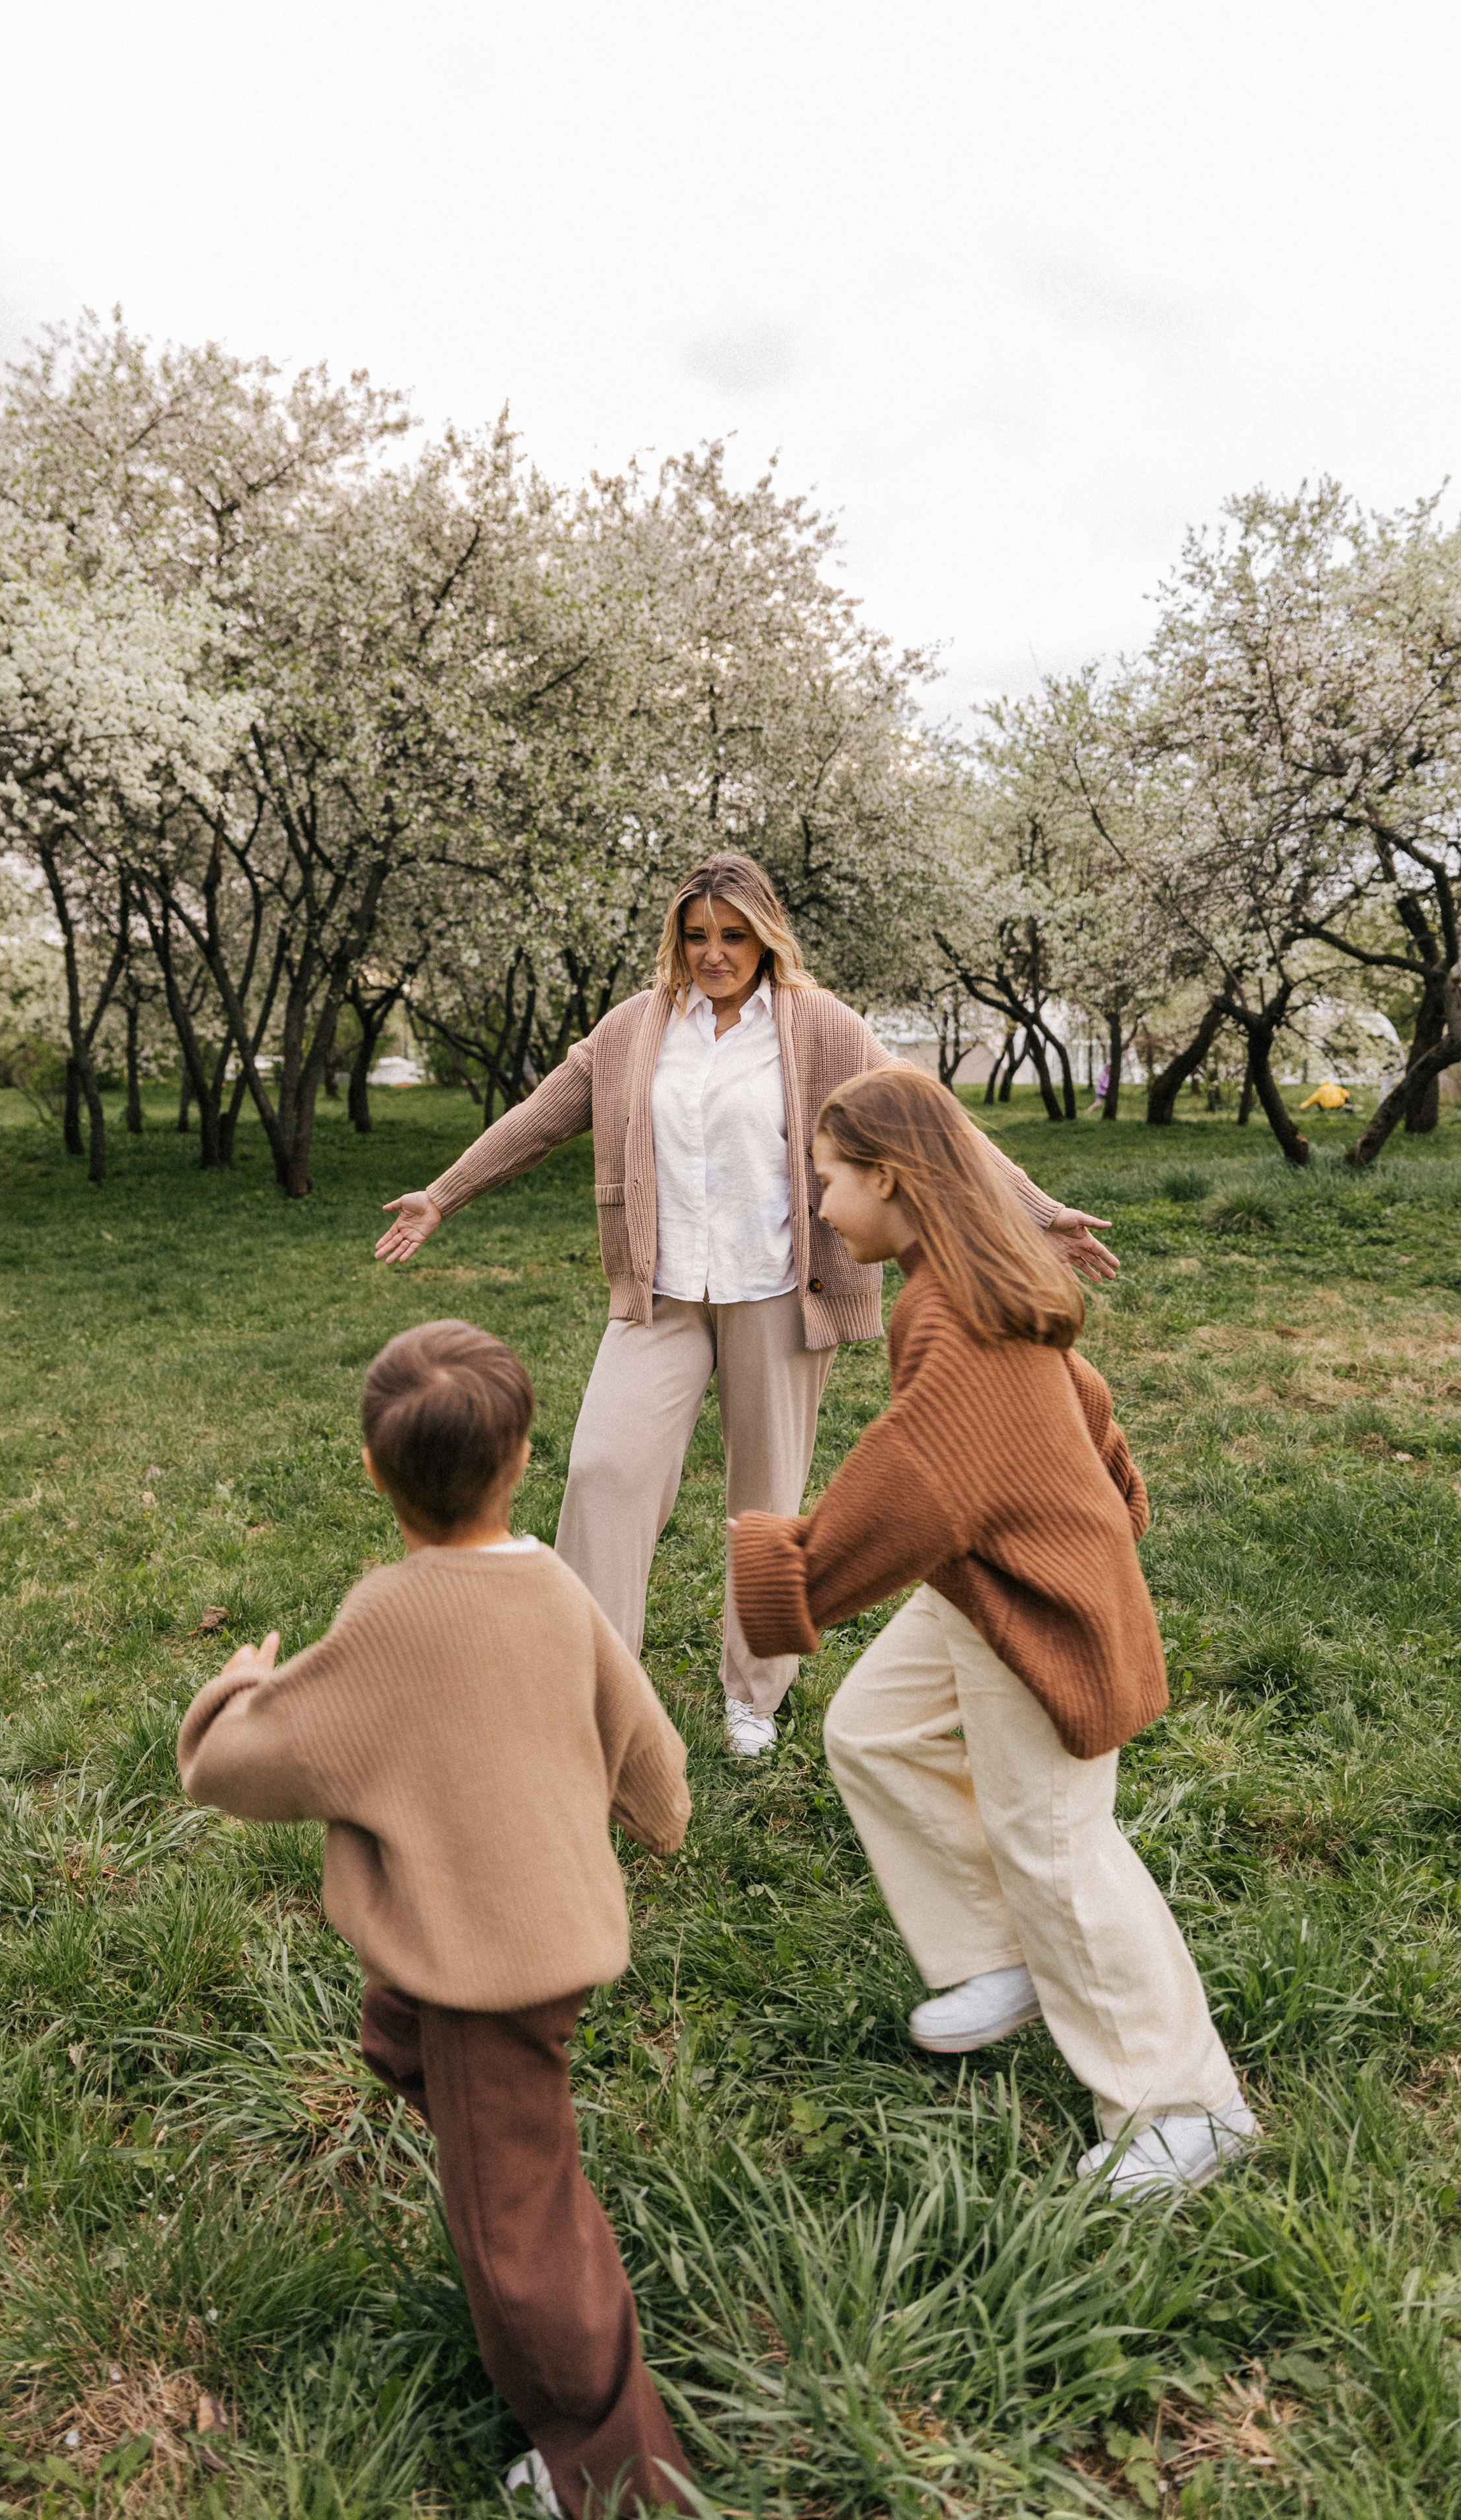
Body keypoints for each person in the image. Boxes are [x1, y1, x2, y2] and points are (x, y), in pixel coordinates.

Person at [376, 853, 1118, 1757]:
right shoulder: (635, 1027)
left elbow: (930, 1122)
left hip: (782, 1291)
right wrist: (442, 1196)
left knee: (764, 1496)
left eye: (733, 936)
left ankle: (753, 1697)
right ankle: (589, 1690)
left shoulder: (823, 1026)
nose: (714, 954)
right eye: (697, 936)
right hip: (662, 1293)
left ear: (766, 937)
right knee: (603, 1473)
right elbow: (538, 1118)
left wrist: (1036, 1212)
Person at [177, 1320, 695, 2517]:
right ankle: (440, 2075)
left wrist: (238, 1686)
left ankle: (614, 2471)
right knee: (399, 2033)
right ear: (524, 1459)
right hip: (537, 1928)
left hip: (492, 1969)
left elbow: (243, 1764)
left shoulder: (388, 1618)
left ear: (372, 1471)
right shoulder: (557, 1588)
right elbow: (640, 1728)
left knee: (519, 2237)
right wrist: (662, 1814)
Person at [730, 1065, 1257, 2198]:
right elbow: (1079, 1391)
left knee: (1058, 1850)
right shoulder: (968, 1275)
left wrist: (791, 1569)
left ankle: (1186, 2107)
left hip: (1038, 1607)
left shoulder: (948, 1312)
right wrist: (1109, 1486)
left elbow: (920, 1476)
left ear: (890, 1177)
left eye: (829, 1180)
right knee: (872, 1732)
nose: (820, 1206)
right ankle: (999, 1952)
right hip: (991, 1578)